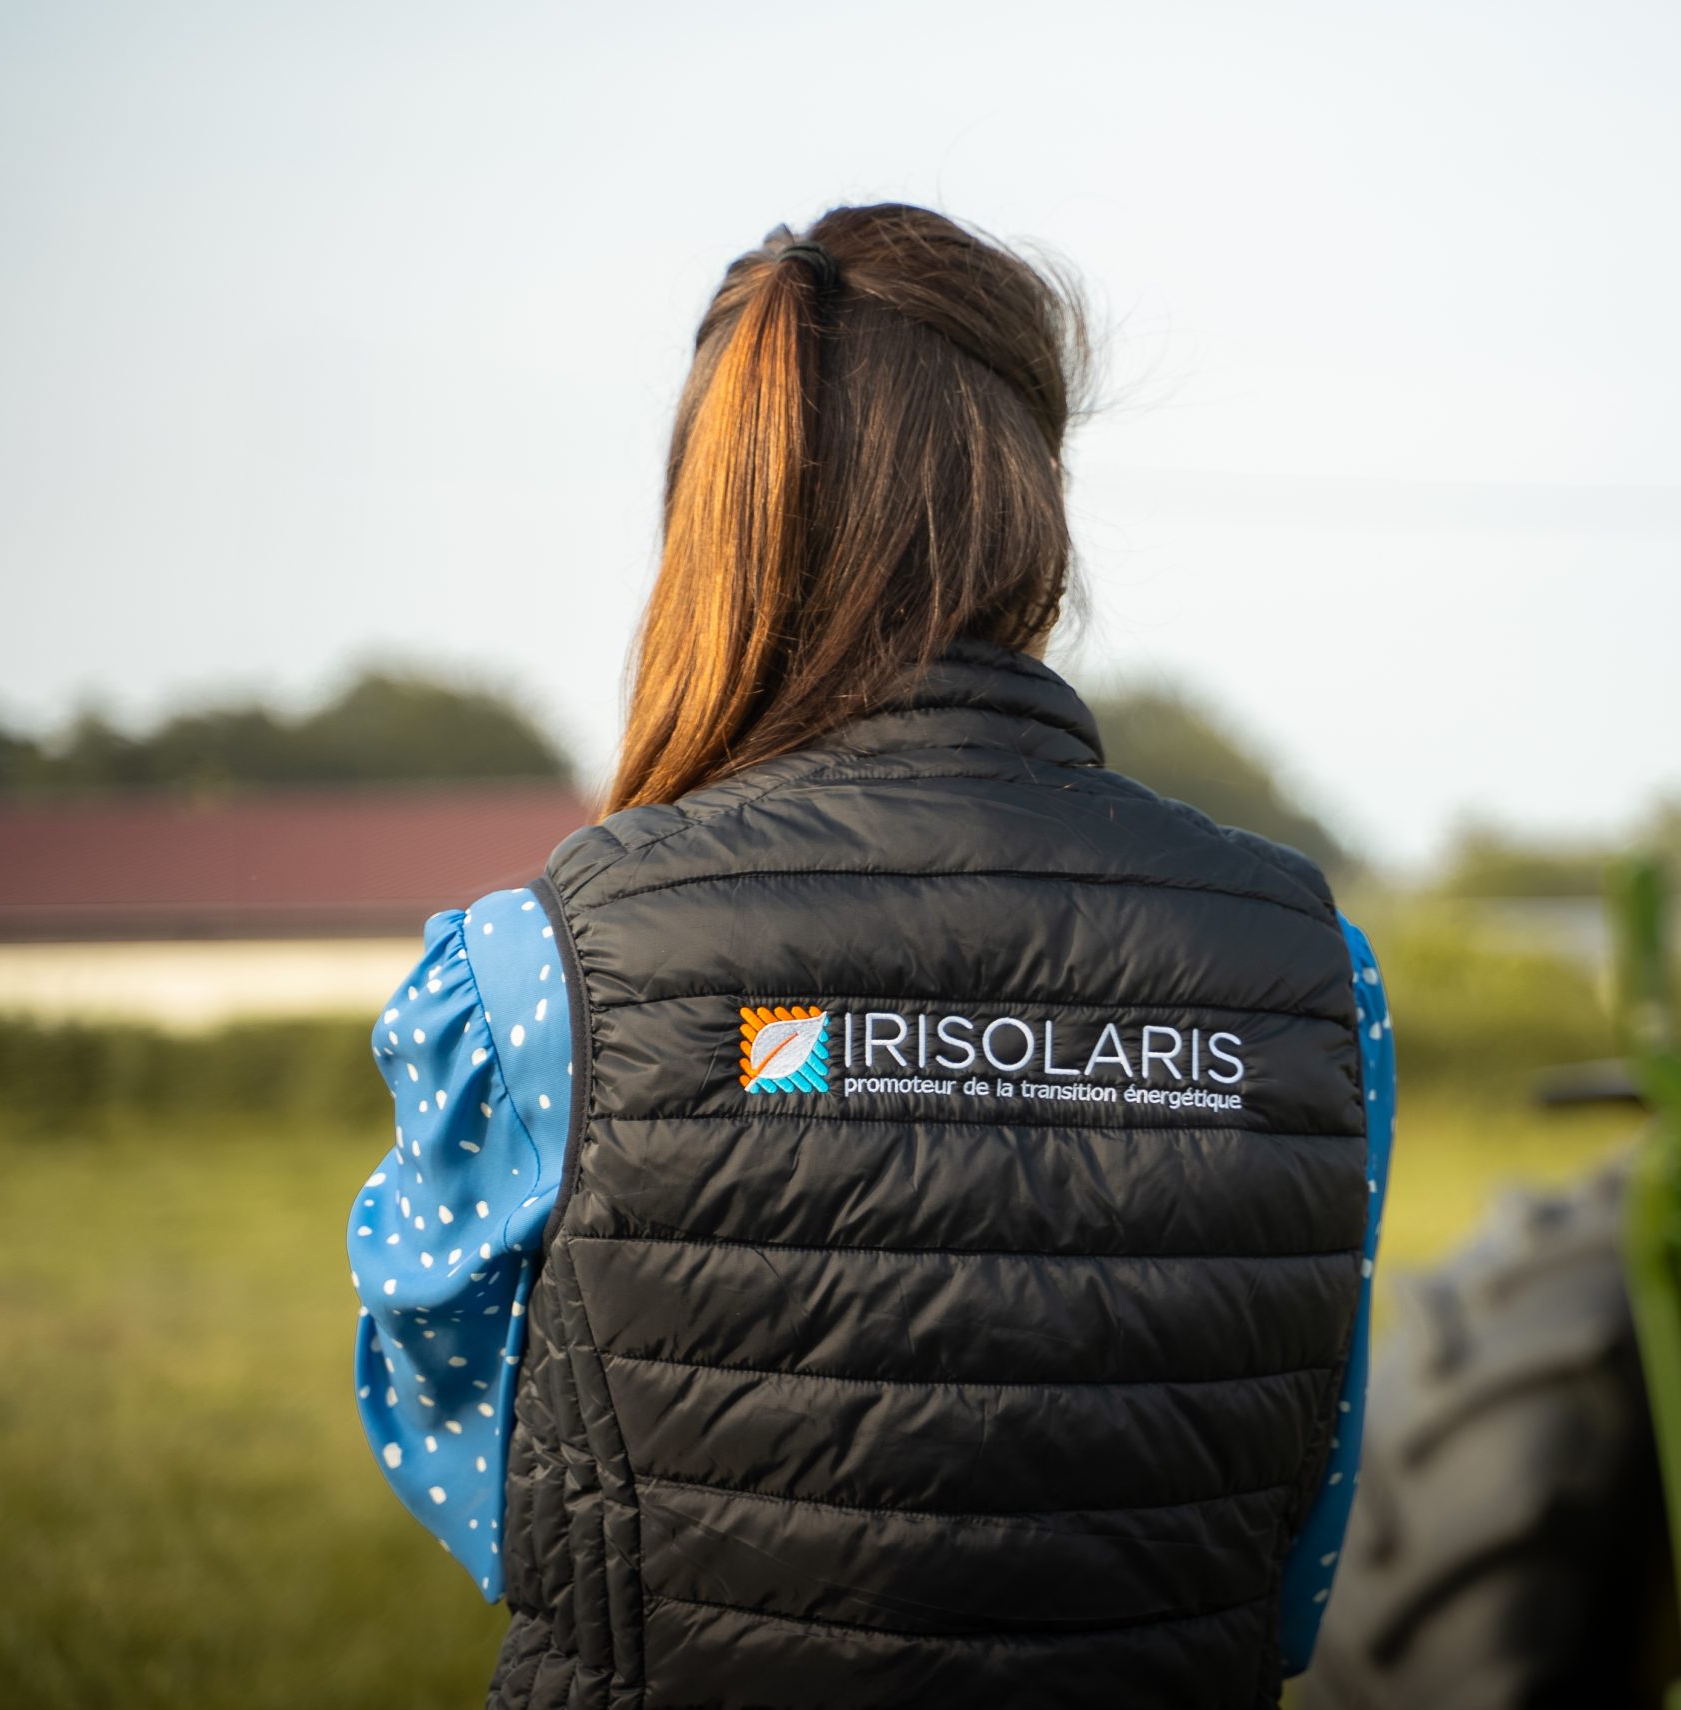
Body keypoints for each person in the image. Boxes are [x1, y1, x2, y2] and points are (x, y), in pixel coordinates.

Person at [343, 204, 1394, 1710]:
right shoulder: (1315, 974)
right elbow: (1295, 1547)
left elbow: (480, 1480)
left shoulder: (537, 963)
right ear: (1033, 495)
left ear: (718, 512)